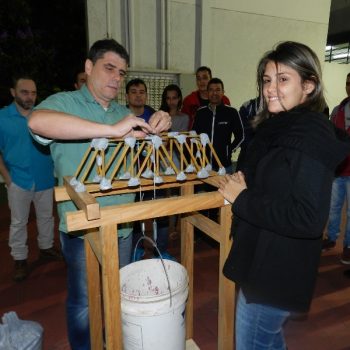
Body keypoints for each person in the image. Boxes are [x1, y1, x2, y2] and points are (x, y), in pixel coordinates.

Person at [28, 38, 171, 350]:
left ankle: (113, 342)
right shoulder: (64, 103)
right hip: (83, 228)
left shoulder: (122, 111)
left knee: (117, 294)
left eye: (121, 72)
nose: (116, 78)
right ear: (89, 67)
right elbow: (37, 122)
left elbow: (143, 145)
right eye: (109, 68)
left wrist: (160, 122)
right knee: (84, 301)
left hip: (122, 226)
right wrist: (111, 130)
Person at [218, 41, 350, 350]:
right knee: (268, 340)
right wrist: (246, 180)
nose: (270, 88)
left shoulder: (309, 133)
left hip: (276, 270)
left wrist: (243, 198)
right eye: (266, 80)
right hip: (263, 257)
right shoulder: (278, 127)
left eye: (283, 79)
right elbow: (278, 180)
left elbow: (307, 218)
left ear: (308, 85)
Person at [0, 75, 61, 282]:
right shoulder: (2, 118)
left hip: (45, 178)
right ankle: (19, 259)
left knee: (46, 217)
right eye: (24, 92)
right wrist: (8, 179)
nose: (30, 96)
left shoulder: (43, 115)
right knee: (18, 222)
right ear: (13, 92)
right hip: (18, 179)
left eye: (33, 92)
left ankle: (46, 248)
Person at [322, 72, 350, 265]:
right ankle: (331, 237)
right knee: (333, 208)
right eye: (348, 82)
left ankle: (348, 246)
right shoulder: (338, 109)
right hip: (338, 170)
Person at [192, 77, 244, 174]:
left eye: (218, 90)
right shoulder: (200, 113)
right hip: (203, 166)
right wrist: (197, 154)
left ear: (223, 92)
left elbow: (241, 136)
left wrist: (229, 150)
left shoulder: (232, 112)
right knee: (203, 190)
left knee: (225, 189)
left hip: (224, 166)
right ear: (207, 93)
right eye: (211, 90)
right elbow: (194, 136)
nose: (214, 93)